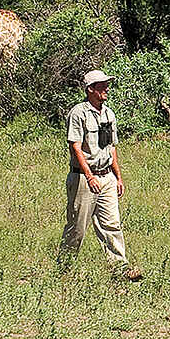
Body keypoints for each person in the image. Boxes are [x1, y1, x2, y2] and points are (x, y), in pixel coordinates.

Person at [62, 69, 141, 280]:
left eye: (107, 84)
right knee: (77, 227)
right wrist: (89, 176)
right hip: (84, 178)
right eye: (101, 85)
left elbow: (112, 148)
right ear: (90, 90)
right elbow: (75, 148)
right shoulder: (78, 113)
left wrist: (118, 177)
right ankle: (64, 270)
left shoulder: (109, 113)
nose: (106, 89)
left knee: (111, 225)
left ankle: (120, 269)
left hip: (107, 178)